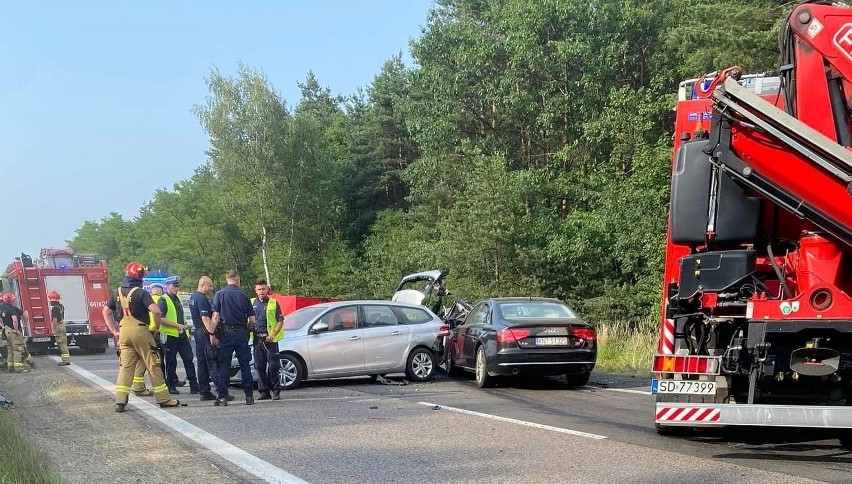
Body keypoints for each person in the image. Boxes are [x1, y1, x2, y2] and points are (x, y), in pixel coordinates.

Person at [102, 261, 179, 412]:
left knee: (126, 367)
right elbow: (156, 311)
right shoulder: (141, 293)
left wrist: (114, 330)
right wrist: (155, 327)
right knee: (153, 364)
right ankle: (164, 399)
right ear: (139, 278)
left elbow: (106, 312)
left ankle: (120, 401)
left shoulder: (116, 292)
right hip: (140, 331)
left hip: (123, 331)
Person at [210, 270, 255, 406]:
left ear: (227, 280)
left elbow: (216, 316)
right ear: (238, 280)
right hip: (241, 333)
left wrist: (212, 333)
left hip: (226, 333)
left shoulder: (220, 294)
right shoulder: (244, 295)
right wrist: (247, 329)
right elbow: (252, 319)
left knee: (225, 365)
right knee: (245, 365)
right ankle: (249, 397)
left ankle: (223, 397)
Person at [159, 276, 199, 395]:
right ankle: (171, 385)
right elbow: (160, 318)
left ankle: (194, 385)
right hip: (170, 336)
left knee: (188, 359)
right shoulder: (163, 300)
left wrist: (186, 333)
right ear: (167, 286)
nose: (177, 288)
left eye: (178, 286)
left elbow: (181, 318)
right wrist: (176, 325)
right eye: (174, 286)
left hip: (181, 335)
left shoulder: (178, 299)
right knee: (171, 362)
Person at [190, 276, 226, 401]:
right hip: (205, 332)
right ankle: (222, 392)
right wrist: (212, 333)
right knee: (212, 362)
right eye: (210, 286)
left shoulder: (193, 297)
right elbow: (205, 318)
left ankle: (204, 391)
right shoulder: (201, 299)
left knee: (202, 364)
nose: (211, 289)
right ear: (203, 285)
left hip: (198, 332)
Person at [251, 279, 284, 400]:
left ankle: (276, 390)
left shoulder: (273, 303)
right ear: (255, 290)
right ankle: (264, 392)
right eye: (259, 289)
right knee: (259, 366)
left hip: (270, 339)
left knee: (273, 366)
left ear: (267, 289)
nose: (261, 291)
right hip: (257, 339)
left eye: (263, 289)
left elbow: (280, 321)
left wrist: (273, 335)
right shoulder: (251, 303)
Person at [1, 293, 32, 372]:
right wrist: (18, 329)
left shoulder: (1, 308)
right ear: (10, 301)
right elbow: (15, 319)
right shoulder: (12, 309)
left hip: (6, 331)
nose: (14, 301)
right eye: (13, 300)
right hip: (13, 332)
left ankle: (10, 367)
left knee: (10, 349)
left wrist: (3, 326)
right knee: (18, 349)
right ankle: (19, 368)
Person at [48, 291, 71, 365]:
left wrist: (53, 329)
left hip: (58, 326)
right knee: (63, 343)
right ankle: (66, 360)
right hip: (62, 325)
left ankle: (66, 361)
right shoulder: (61, 306)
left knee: (61, 344)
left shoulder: (55, 308)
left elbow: (54, 320)